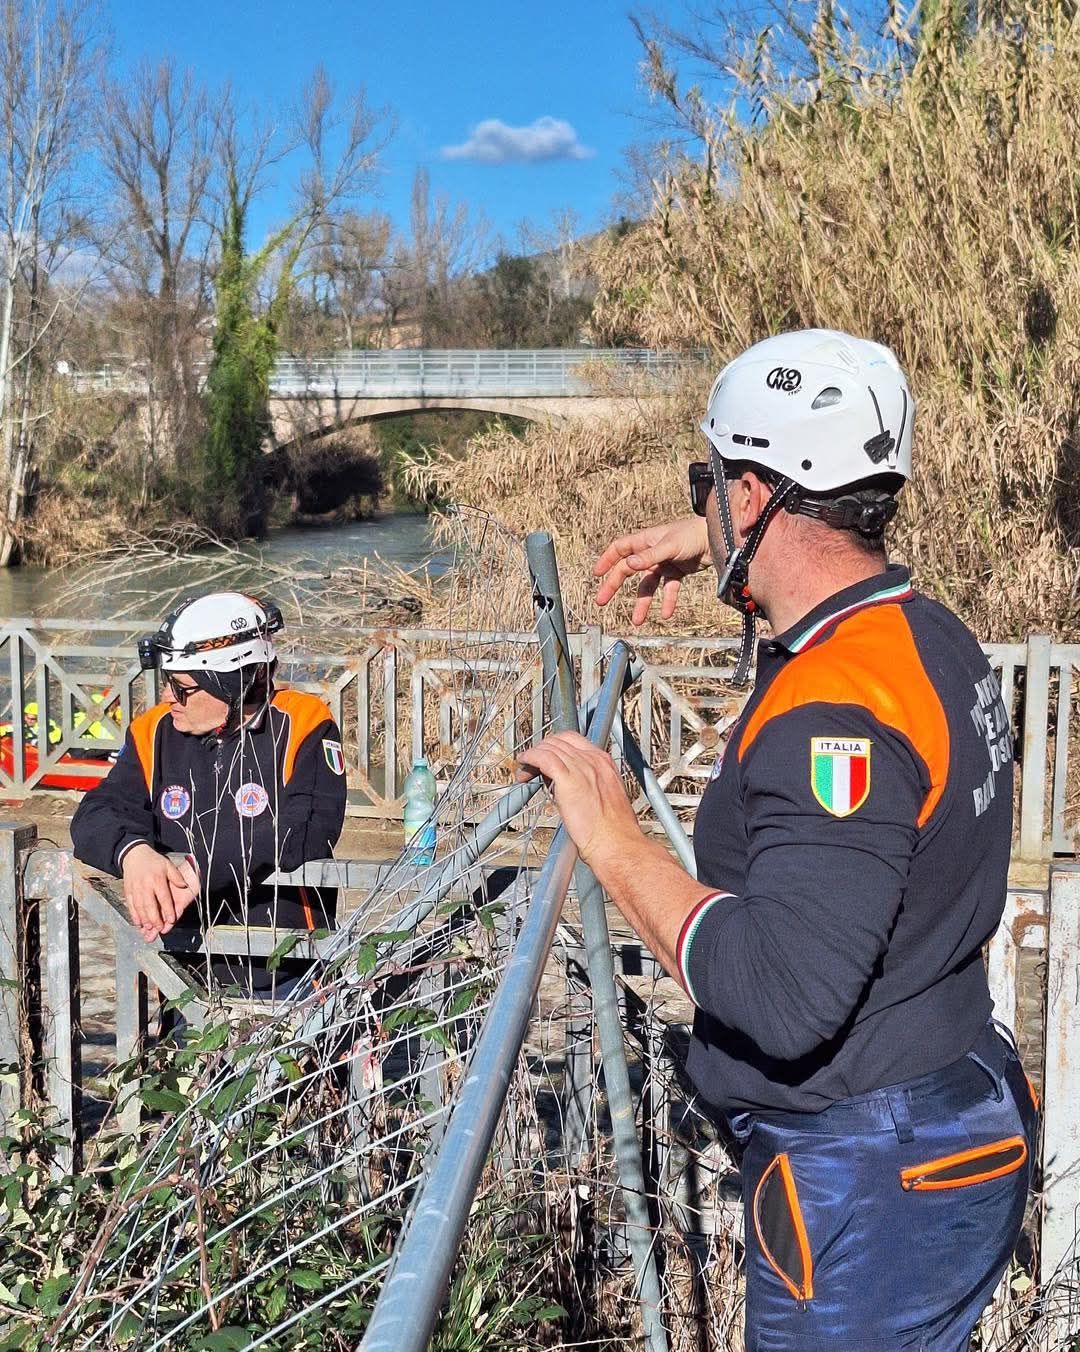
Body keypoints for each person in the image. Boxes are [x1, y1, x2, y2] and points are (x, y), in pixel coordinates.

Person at [516, 329, 1037, 1350]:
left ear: (756, 491)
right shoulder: (924, 632)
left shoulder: (830, 711)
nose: (704, 497)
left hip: (862, 1176)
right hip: (952, 1103)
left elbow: (782, 993)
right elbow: (817, 586)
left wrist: (618, 841)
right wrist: (720, 536)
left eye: (709, 478)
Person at [71, 592, 347, 997]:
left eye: (182, 688)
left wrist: (201, 871)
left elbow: (306, 828)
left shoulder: (303, 723)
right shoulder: (153, 731)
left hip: (287, 971)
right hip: (182, 973)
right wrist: (133, 853)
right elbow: (97, 811)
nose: (168, 697)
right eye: (167, 682)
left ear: (232, 683)